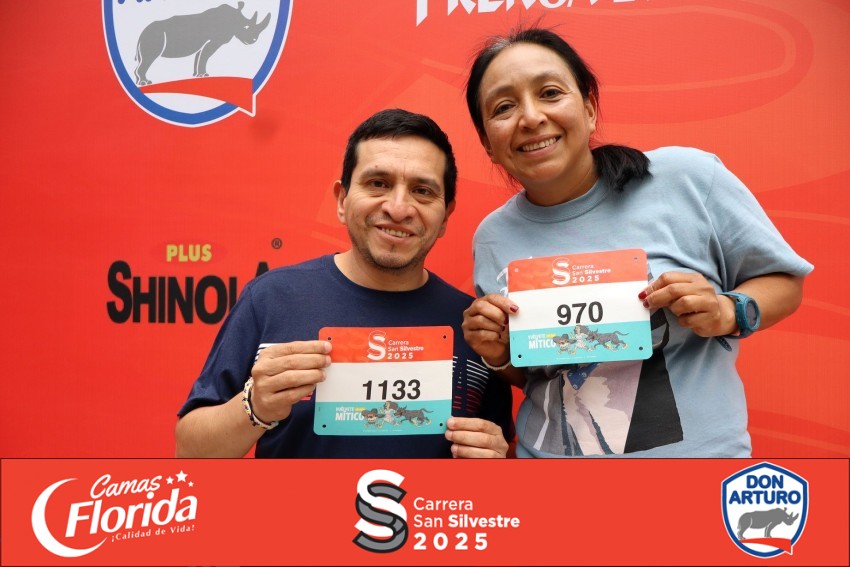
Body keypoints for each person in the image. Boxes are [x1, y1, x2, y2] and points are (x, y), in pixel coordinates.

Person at [460, 26, 813, 457]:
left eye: (550, 93)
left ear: (589, 109)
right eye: (504, 107)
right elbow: (535, 372)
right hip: (553, 482)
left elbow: (785, 282)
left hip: (697, 476)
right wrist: (498, 354)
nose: (531, 118)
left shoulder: (687, 178)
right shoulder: (493, 237)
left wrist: (726, 310)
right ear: (488, 143)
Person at [176, 108, 513, 458]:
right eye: (378, 183)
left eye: (422, 190)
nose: (398, 208)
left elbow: (503, 450)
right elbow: (190, 454)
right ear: (341, 199)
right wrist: (254, 406)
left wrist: (496, 463)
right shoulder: (271, 299)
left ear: (445, 217)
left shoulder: (475, 329)